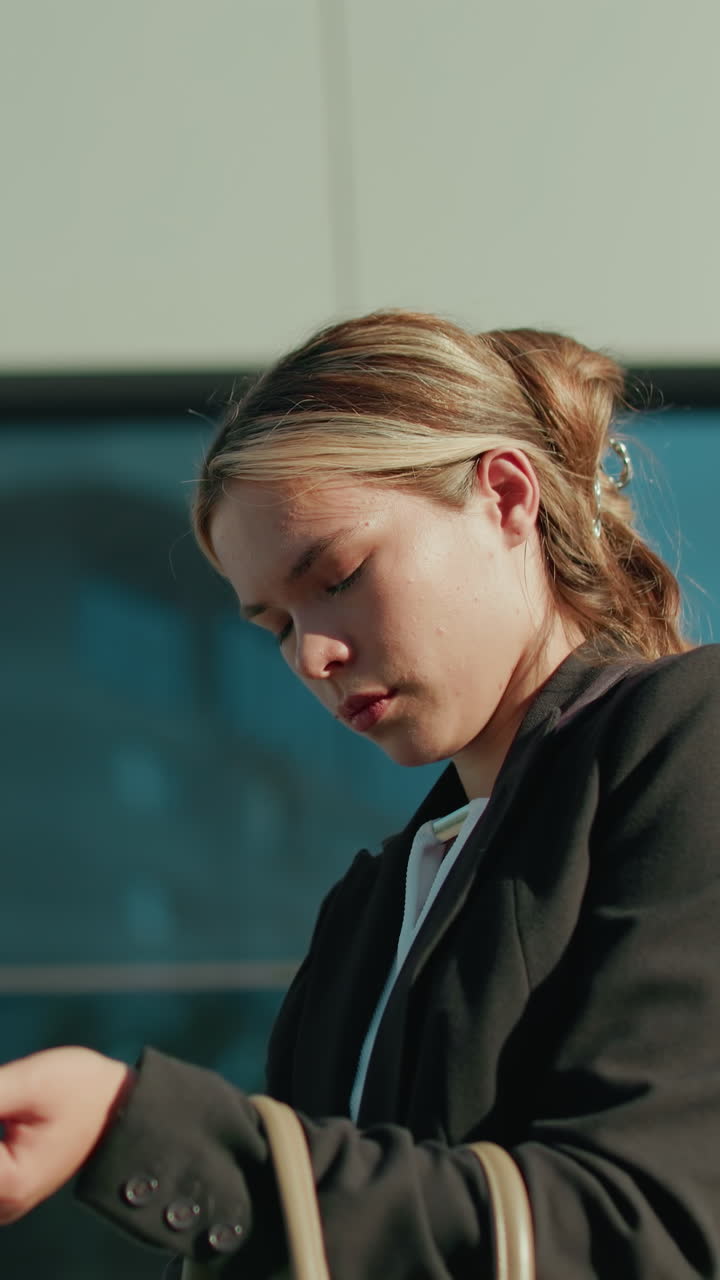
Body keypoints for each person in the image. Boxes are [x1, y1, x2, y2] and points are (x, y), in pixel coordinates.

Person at [1, 310, 719, 1278]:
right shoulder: (370, 914)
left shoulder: (688, 739)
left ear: (507, 495)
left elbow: (647, 1228)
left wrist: (142, 1133)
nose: (311, 653)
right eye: (274, 624)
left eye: (336, 575)